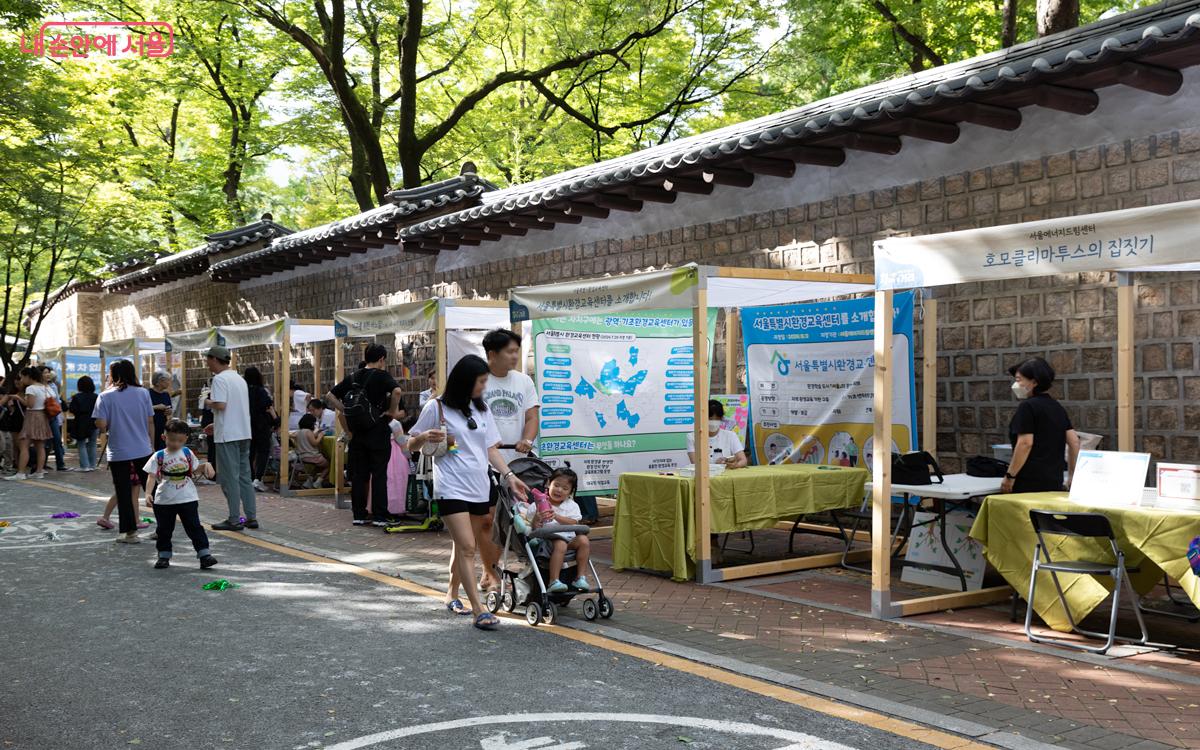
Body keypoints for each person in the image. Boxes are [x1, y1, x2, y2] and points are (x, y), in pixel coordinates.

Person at [408, 354, 529, 631]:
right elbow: (409, 443)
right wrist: (425, 437)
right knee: (467, 546)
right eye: (481, 381)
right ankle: (479, 609)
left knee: (462, 544)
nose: (484, 386)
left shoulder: (482, 409)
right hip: (450, 485)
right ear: (465, 381)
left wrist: (509, 476)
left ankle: (451, 593)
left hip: (479, 484)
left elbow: (490, 449)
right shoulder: (435, 407)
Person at [481, 328, 541, 585]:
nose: (515, 356)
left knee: (517, 518)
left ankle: (518, 568)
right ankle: (490, 570)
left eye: (517, 351)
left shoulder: (523, 381)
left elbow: (531, 416)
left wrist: (527, 440)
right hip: (486, 461)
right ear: (492, 354)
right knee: (488, 519)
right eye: (510, 351)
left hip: (517, 462)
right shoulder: (479, 380)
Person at [326, 343, 404, 528]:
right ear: (382, 359)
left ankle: (359, 515)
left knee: (359, 475)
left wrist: (345, 409)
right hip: (378, 431)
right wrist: (392, 410)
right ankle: (379, 516)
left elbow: (330, 395)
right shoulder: (382, 376)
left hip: (357, 433)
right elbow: (397, 391)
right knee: (379, 474)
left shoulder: (353, 376)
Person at [93, 360, 155, 544]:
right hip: (143, 448)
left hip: (119, 451)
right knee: (153, 489)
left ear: (112, 375)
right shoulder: (143, 393)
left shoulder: (105, 396)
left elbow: (101, 425)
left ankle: (130, 533)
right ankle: (164, 528)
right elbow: (150, 421)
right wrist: (151, 445)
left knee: (124, 492)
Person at [144, 419, 218, 570]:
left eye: (180, 440)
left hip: (188, 497)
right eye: (172, 439)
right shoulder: (158, 456)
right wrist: (147, 494)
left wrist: (207, 465)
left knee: (194, 527)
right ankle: (164, 556)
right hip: (164, 500)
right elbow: (152, 476)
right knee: (164, 529)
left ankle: (204, 555)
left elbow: (195, 470)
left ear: (185, 439)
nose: (175, 443)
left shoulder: (187, 453)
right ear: (164, 437)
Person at [1003, 357, 1081, 494]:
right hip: (1054, 480)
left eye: (1018, 380)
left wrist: (1010, 476)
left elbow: (1025, 443)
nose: (1015, 384)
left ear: (1034, 382)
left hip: (1028, 481)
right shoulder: (1057, 407)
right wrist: (1072, 476)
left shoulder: (1027, 407)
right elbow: (1074, 442)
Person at [204, 346, 258, 531]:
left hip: (227, 436)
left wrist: (207, 401)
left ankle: (234, 519)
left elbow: (221, 405)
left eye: (208, 359)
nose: (207, 363)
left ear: (214, 359)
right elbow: (235, 407)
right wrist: (216, 423)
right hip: (243, 432)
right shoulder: (239, 378)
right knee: (244, 476)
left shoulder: (219, 379)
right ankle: (251, 516)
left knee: (229, 478)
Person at [540, 467, 591, 593]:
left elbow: (574, 522)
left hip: (569, 540)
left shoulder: (572, 506)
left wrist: (556, 516)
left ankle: (580, 577)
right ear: (548, 483)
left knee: (583, 540)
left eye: (565, 488)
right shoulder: (540, 503)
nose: (559, 490)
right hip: (547, 542)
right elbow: (532, 525)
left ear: (570, 492)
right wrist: (537, 517)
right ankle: (553, 580)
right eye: (556, 485)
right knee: (560, 543)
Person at [5, 367, 51, 481]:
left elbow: (29, 404)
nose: (21, 380)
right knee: (40, 446)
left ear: (28, 377)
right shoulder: (46, 387)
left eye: (22, 377)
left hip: (32, 416)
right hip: (43, 416)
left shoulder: (31, 388)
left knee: (23, 445)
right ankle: (39, 471)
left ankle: (21, 472)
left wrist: (17, 398)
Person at [687, 399, 748, 469]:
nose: (713, 422)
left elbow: (743, 460)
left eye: (717, 418)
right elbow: (694, 462)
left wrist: (734, 465)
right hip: (702, 478)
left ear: (722, 418)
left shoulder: (730, 435)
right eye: (710, 419)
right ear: (702, 418)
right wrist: (716, 465)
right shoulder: (692, 437)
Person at [244, 366, 277, 493]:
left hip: (247, 426)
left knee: (250, 453)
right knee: (263, 452)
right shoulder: (261, 391)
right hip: (262, 426)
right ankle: (258, 479)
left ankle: (250, 477)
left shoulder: (243, 391)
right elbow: (268, 406)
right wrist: (275, 420)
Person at [68, 375, 99, 472]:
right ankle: (92, 465)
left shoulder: (77, 397)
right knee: (93, 443)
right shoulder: (96, 396)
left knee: (81, 443)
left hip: (81, 422)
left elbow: (72, 409)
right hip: (94, 422)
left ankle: (84, 466)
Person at [293, 413, 329, 488]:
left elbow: (308, 438)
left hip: (302, 456)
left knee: (318, 465)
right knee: (328, 465)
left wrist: (316, 433)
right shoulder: (308, 432)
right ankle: (318, 481)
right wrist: (320, 436)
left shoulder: (299, 432)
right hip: (312, 456)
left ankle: (309, 481)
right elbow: (315, 443)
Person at [41, 367, 66, 471]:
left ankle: (60, 464)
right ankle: (42, 464)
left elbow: (57, 401)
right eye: (45, 373)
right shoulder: (36, 387)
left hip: (53, 416)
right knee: (44, 442)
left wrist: (61, 415)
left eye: (48, 372)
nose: (47, 374)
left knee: (57, 440)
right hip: (42, 416)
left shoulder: (53, 386)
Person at [149, 372, 174, 450]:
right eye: (168, 380)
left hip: (163, 427)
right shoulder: (148, 393)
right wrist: (156, 407)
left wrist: (170, 411)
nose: (169, 383)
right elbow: (141, 409)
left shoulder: (166, 394)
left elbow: (170, 409)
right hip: (150, 427)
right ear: (160, 381)